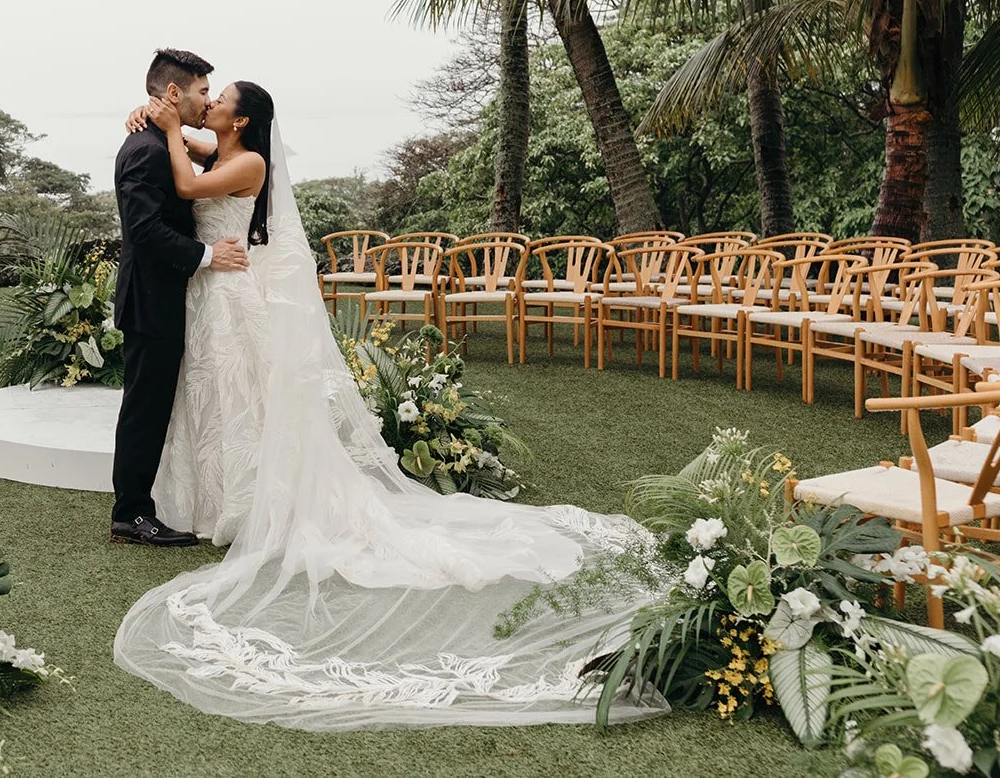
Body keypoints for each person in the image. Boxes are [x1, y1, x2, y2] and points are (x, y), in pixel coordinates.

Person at [111, 78, 670, 731]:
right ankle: (216, 500)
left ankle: (256, 504)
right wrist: (158, 118)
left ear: (242, 116)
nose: (212, 100)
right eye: (209, 91)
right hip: (218, 297)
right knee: (219, 405)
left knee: (243, 404)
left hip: (231, 293)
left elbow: (185, 183)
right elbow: (191, 149)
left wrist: (172, 128)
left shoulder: (248, 158)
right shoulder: (225, 144)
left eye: (221, 94)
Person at [109, 49, 248, 547]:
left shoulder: (159, 139)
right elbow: (144, 232)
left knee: (153, 407)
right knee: (144, 409)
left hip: (167, 298)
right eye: (203, 91)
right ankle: (130, 515)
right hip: (151, 301)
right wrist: (209, 255)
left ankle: (141, 506)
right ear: (174, 93)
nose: (207, 99)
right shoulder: (146, 150)